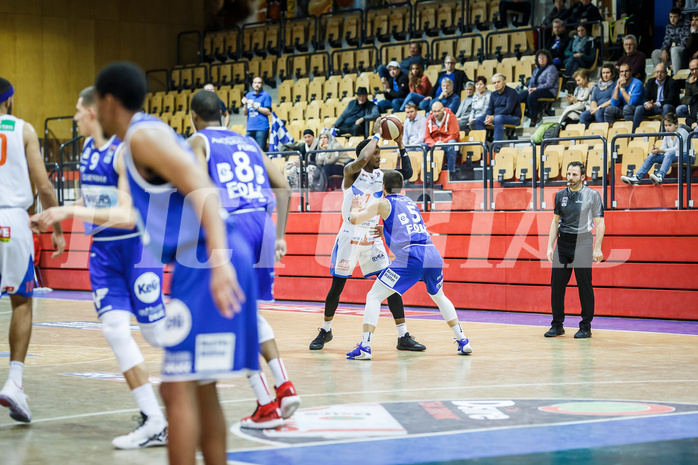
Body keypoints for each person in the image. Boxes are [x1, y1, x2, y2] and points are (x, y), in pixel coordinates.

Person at [90, 62, 257, 465]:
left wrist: (218, 262)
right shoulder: (145, 133)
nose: (93, 112)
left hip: (206, 255)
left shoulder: (141, 137)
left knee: (177, 388)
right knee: (200, 386)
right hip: (201, 255)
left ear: (109, 102)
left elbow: (203, 188)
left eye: (95, 103)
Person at [32, 87, 169, 448]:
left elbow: (126, 216)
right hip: (104, 255)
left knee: (157, 336)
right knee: (115, 331)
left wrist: (69, 210)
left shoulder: (122, 152)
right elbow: (93, 200)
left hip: (138, 251)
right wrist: (52, 216)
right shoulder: (88, 151)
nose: (74, 117)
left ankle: (218, 358)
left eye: (78, 110)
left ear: (93, 112)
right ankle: (154, 418)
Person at [188, 90, 301, 430]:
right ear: (225, 116)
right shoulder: (249, 143)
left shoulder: (197, 141)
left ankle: (266, 403)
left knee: (228, 316)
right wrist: (280, 235)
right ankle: (283, 386)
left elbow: (195, 189)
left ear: (193, 116)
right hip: (263, 226)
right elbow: (282, 185)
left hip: (232, 226)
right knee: (248, 310)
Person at [310, 119, 425, 353]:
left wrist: (401, 144)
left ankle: (403, 336)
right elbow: (362, 160)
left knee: (389, 285)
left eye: (380, 153)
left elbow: (408, 173)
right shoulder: (351, 172)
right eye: (375, 152)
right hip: (350, 235)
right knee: (337, 287)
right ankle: (326, 329)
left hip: (372, 237)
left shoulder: (383, 177)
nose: (378, 156)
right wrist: (376, 135)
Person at [345, 169, 472, 360]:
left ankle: (365, 346)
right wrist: (385, 231)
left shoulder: (382, 202)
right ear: (401, 186)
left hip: (412, 257)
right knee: (439, 296)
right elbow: (408, 229)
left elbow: (355, 220)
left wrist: (354, 208)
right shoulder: (410, 202)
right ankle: (463, 341)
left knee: (373, 296)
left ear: (383, 187)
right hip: (432, 253)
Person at [0, 77, 65, 424]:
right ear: (9, 101)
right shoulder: (22, 129)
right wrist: (56, 229)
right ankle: (14, 382)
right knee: (21, 301)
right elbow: (43, 185)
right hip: (12, 220)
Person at [545, 161, 604, 339]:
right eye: (568, 174)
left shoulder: (592, 195)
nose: (570, 177)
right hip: (563, 244)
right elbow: (555, 222)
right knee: (556, 286)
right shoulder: (560, 195)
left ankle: (585, 326)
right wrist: (549, 245)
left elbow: (600, 223)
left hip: (583, 243)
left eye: (574, 175)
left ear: (583, 177)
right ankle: (557, 325)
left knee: (584, 286)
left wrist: (597, 248)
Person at [621, 113, 692, 185]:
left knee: (669, 153)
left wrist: (660, 151)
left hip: (688, 156)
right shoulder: (667, 134)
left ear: (676, 124)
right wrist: (656, 151)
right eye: (666, 125)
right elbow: (663, 148)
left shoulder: (683, 132)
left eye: (670, 125)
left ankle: (660, 176)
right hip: (673, 155)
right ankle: (637, 177)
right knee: (653, 155)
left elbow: (677, 149)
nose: (667, 128)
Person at [631, 63, 681, 131]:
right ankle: (634, 135)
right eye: (657, 72)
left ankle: (664, 136)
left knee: (666, 107)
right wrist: (647, 104)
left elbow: (671, 100)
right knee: (639, 108)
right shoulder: (650, 81)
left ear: (666, 73)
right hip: (653, 108)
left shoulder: (672, 82)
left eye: (662, 72)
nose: (659, 74)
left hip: (666, 108)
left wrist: (655, 104)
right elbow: (646, 97)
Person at [476, 73, 522, 142]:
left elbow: (508, 109)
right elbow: (490, 108)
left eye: (498, 82)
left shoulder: (512, 92)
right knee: (479, 120)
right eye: (494, 83)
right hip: (496, 117)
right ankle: (484, 147)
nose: (496, 84)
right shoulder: (493, 94)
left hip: (513, 117)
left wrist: (493, 117)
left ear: (504, 82)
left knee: (498, 119)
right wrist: (488, 117)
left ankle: (496, 147)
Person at [519, 50, 559, 127]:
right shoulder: (536, 69)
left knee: (532, 96)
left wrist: (536, 89)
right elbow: (531, 82)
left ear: (548, 58)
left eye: (544, 57)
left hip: (549, 91)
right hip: (536, 90)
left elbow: (549, 84)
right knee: (520, 96)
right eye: (539, 57)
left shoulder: (551, 68)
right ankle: (530, 113)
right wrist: (530, 89)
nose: (541, 59)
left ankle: (533, 118)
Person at [425, 102, 460, 177]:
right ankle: (425, 172)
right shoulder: (429, 119)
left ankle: (451, 172)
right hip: (434, 144)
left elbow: (454, 135)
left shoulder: (451, 116)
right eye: (434, 111)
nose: (436, 113)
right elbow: (427, 137)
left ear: (443, 110)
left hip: (447, 143)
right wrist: (434, 145)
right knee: (421, 147)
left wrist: (442, 143)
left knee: (452, 143)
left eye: (438, 111)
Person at [651, 7, 689, 74]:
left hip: (684, 50)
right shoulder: (669, 26)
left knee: (674, 50)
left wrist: (671, 52)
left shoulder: (686, 24)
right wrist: (664, 50)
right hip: (674, 52)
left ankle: (676, 75)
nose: (672, 19)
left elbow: (685, 42)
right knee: (655, 53)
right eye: (671, 17)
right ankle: (660, 74)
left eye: (675, 17)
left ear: (680, 17)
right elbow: (667, 39)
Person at [242, 76, 272, 151]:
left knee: (260, 151)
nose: (257, 84)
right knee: (248, 150)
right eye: (255, 83)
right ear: (252, 84)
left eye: (259, 83)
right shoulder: (248, 95)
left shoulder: (265, 95)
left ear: (262, 84)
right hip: (250, 128)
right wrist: (245, 104)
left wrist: (255, 106)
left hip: (261, 128)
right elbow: (245, 113)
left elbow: (268, 111)